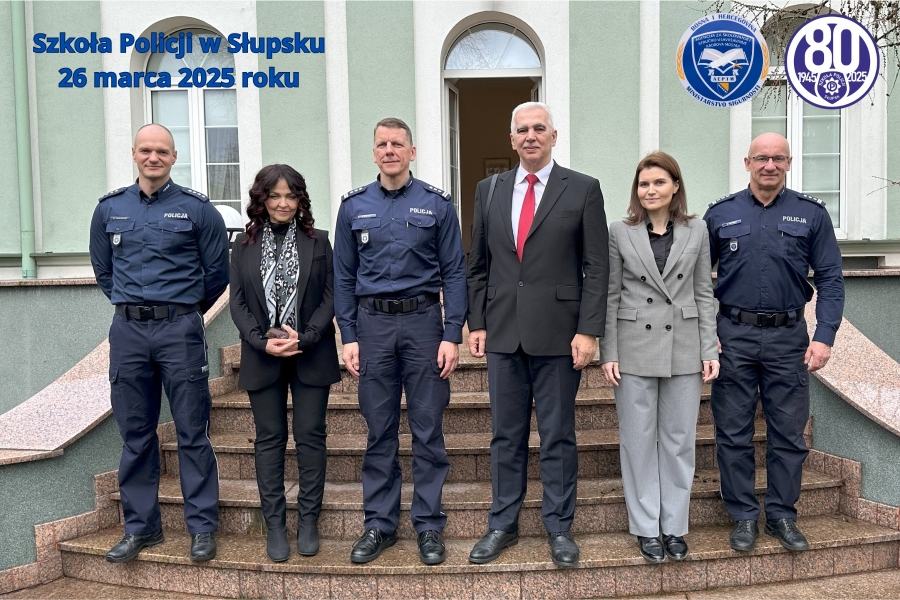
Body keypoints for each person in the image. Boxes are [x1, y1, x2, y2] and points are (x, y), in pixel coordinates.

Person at [466, 102, 609, 567]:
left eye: (539, 128)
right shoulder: (489, 190)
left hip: (560, 334)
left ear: (553, 136)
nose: (530, 136)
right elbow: (477, 265)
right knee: (505, 436)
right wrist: (477, 321)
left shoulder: (583, 188)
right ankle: (502, 524)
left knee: (557, 435)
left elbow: (596, 266)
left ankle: (559, 527)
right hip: (503, 333)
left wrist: (589, 330)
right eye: (522, 130)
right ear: (512, 139)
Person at [89, 123, 228, 563]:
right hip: (128, 331)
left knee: (192, 431)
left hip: (179, 330)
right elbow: (103, 271)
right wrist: (135, 307)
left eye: (162, 151)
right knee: (135, 433)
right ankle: (141, 528)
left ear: (174, 157)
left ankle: (201, 527)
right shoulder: (109, 209)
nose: (154, 158)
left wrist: (182, 312)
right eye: (146, 150)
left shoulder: (198, 210)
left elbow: (217, 275)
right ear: (134, 153)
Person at [333, 117, 467, 565]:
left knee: (428, 430)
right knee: (379, 430)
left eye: (397, 144)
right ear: (374, 153)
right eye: (382, 144)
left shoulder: (437, 204)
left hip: (424, 325)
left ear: (412, 152)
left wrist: (452, 333)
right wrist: (348, 336)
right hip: (372, 327)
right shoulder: (353, 207)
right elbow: (343, 276)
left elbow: (455, 272)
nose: (389, 150)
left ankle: (428, 525)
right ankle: (379, 524)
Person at [704, 132, 844, 553]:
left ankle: (782, 514)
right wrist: (704, 333)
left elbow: (831, 279)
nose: (770, 165)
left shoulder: (811, 214)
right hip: (733, 336)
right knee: (733, 431)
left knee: (788, 432)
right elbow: (694, 280)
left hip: (788, 339)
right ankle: (744, 516)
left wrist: (824, 336)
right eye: (762, 158)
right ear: (747, 163)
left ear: (789, 163)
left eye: (778, 158)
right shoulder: (720, 214)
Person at [599, 152, 718, 563]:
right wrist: (608, 351)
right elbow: (611, 293)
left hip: (684, 345)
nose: (650, 190)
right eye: (643, 184)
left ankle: (674, 526)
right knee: (637, 441)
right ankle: (647, 527)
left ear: (675, 186)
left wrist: (709, 347)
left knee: (679, 441)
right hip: (633, 345)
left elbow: (703, 291)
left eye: (659, 182)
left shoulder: (697, 229)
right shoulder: (620, 231)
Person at [229, 164, 340, 562]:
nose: (282, 203)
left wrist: (305, 336)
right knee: (269, 439)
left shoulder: (319, 241)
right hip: (263, 356)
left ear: (300, 200)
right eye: (274, 196)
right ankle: (275, 526)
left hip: (311, 351)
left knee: (310, 436)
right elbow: (237, 302)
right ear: (261, 200)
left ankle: (308, 521)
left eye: (290, 196)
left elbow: (331, 296)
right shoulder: (242, 245)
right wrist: (261, 342)